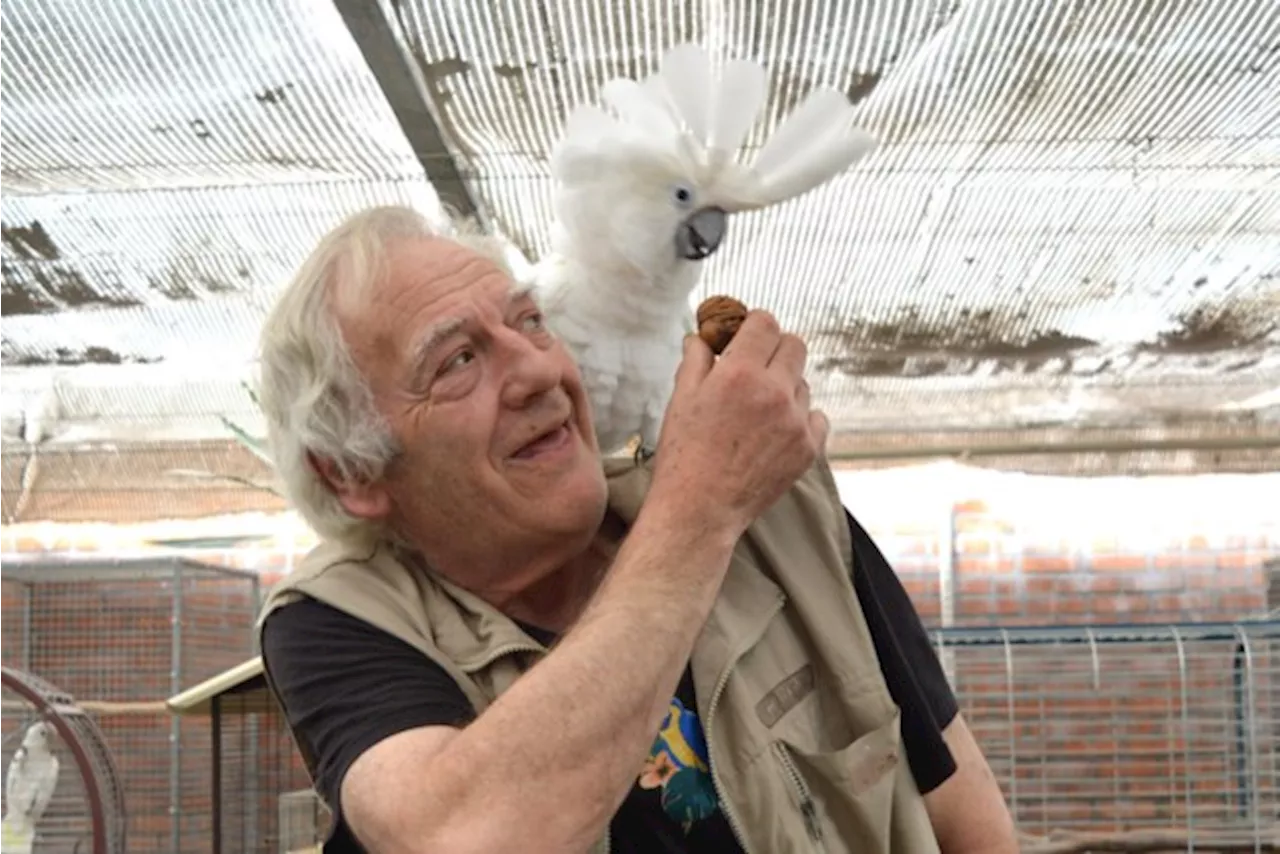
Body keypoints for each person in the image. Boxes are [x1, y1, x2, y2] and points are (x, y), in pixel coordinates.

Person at [253, 204, 1019, 854]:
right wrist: (701, 505)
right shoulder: (339, 623)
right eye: (457, 360)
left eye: (531, 321)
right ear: (350, 473)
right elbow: (469, 834)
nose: (539, 371)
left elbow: (963, 813)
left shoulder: (779, 512)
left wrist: (713, 499)